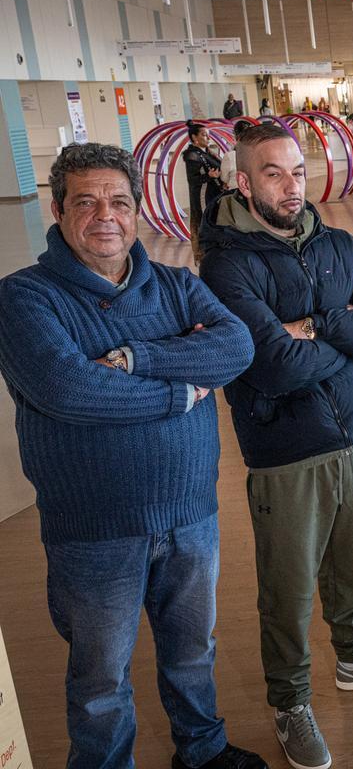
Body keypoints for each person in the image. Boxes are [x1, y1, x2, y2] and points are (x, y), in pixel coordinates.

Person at [0, 143, 264, 769]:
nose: (105, 216)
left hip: (191, 515)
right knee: (101, 679)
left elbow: (236, 347)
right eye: (85, 202)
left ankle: (201, 750)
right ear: (58, 210)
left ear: (138, 210)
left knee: (192, 651)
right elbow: (69, 389)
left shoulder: (176, 284)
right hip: (95, 529)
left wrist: (133, 359)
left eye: (119, 201)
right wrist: (181, 393)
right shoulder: (24, 298)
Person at [199, 124, 353, 769]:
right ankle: (290, 701)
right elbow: (273, 366)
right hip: (286, 450)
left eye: (298, 171)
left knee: (351, 567)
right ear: (244, 183)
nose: (292, 186)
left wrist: (316, 327)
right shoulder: (226, 266)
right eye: (274, 173)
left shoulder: (339, 244)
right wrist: (343, 338)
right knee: (288, 592)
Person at [182, 120, 224, 265]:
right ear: (194, 137)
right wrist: (209, 176)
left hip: (214, 195)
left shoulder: (208, 153)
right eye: (204, 135)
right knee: (203, 225)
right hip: (202, 198)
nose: (208, 138)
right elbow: (192, 180)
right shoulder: (192, 155)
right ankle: (205, 259)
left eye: (208, 135)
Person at [219, 119, 254, 187]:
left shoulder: (230, 156)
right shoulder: (259, 153)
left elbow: (224, 178)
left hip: (236, 190)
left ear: (235, 135)